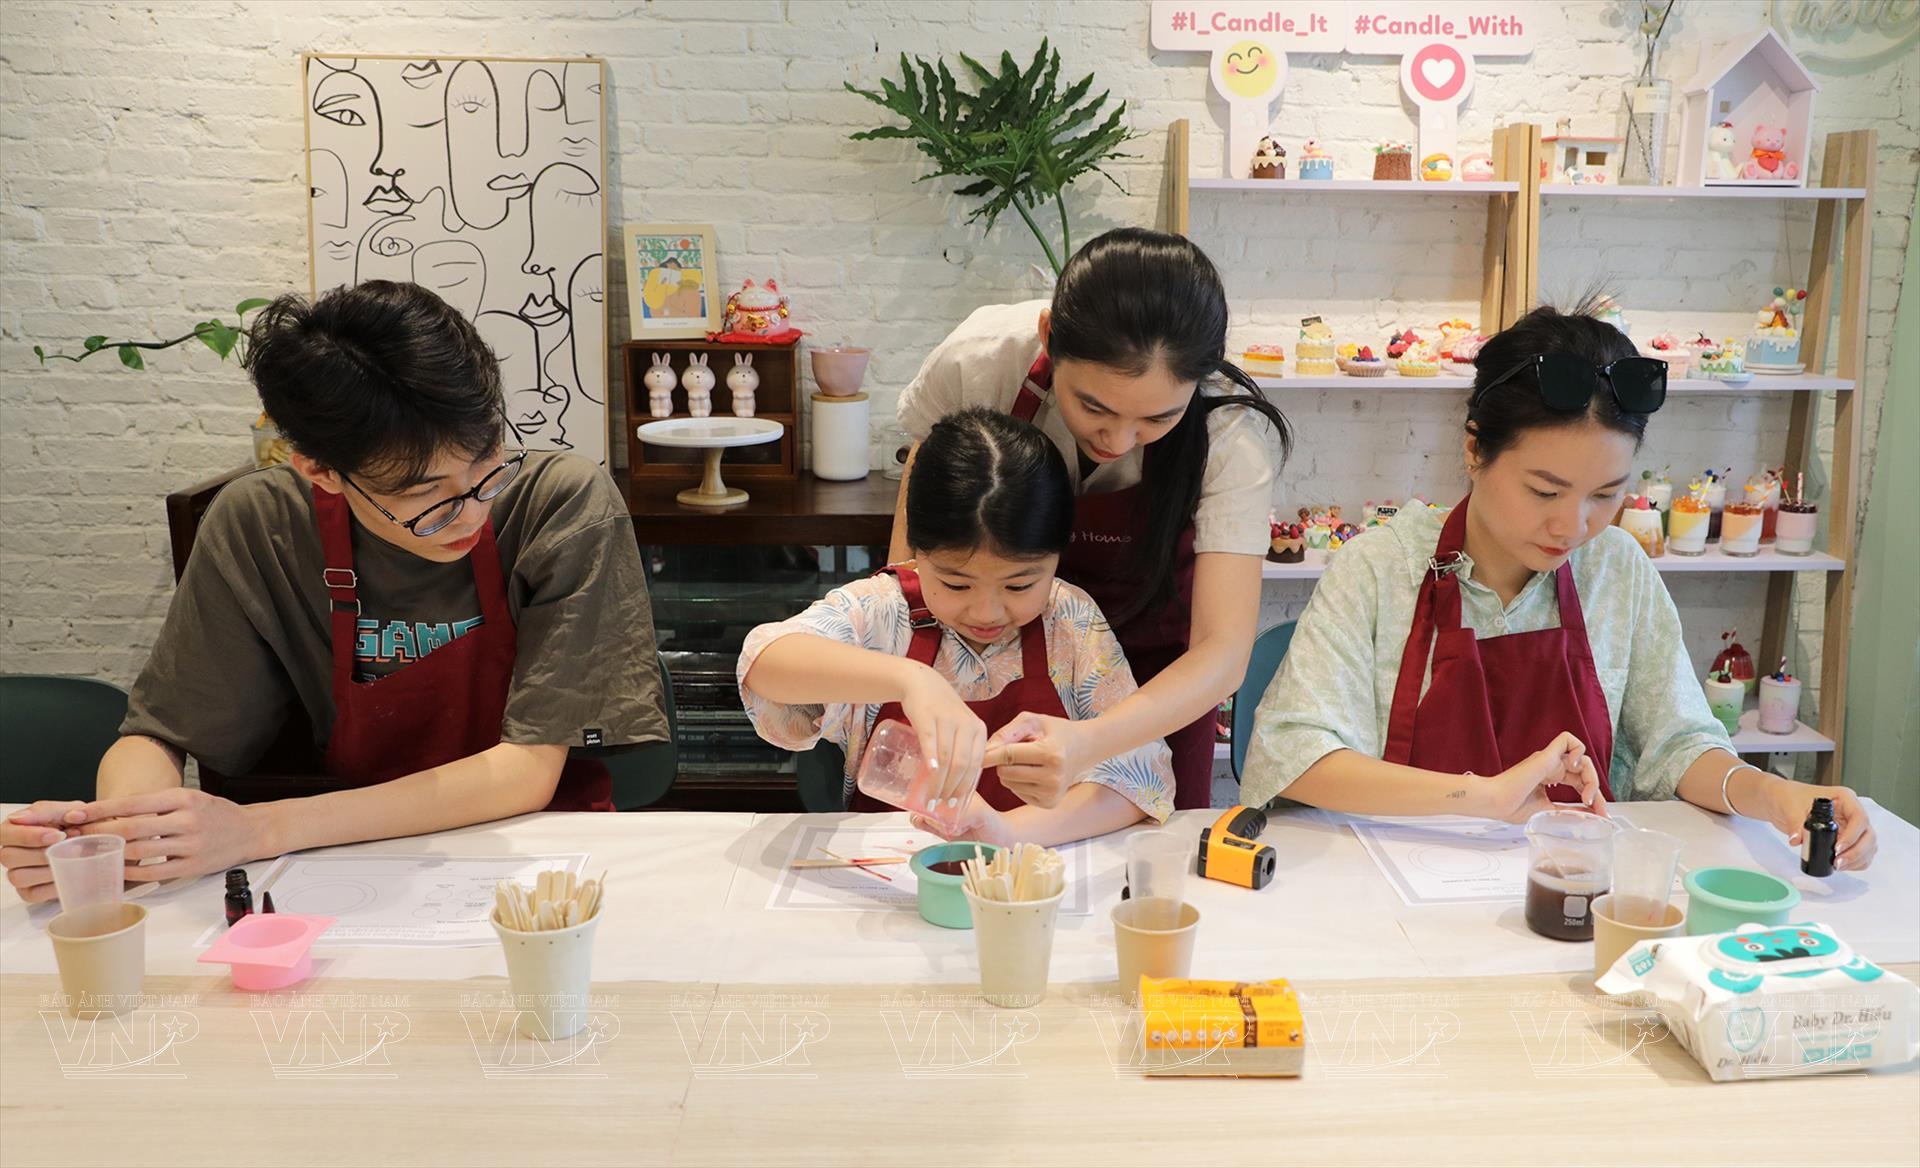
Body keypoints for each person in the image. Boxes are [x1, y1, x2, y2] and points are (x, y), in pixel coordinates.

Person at [2, 281, 668, 903]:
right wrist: (121, 833)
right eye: (424, 497)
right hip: (335, 872)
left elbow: (528, 770)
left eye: (486, 463)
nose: (470, 511)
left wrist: (257, 831)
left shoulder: (560, 503)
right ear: (318, 469)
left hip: (535, 866)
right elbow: (158, 734)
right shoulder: (260, 525)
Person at [1242, 302, 1877, 871]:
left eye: (1606, 495)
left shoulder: (1616, 568)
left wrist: (1772, 794)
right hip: (1399, 882)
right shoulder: (1381, 568)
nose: (1573, 526)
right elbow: (1296, 754)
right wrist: (1483, 798)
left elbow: (1677, 743)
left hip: (1573, 876)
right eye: (1544, 491)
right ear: (1474, 450)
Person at [892, 228, 1292, 809]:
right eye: (1093, 406)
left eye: (1157, 419)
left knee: (1140, 863)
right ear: (1049, 337)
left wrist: (1091, 740)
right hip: (997, 643)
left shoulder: (1231, 436)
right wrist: (911, 641)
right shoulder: (978, 360)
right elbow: (925, 501)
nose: (1117, 439)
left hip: (1158, 678)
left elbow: (1223, 650)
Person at [740, 407, 1172, 846]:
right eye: (956, 583)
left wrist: (1005, 832)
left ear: (1057, 559)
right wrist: (912, 680)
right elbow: (763, 664)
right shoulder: (884, 614)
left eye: (1020, 584)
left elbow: (1139, 779)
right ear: (917, 554)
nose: (986, 612)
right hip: (894, 873)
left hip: (1030, 873)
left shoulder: (1069, 620)